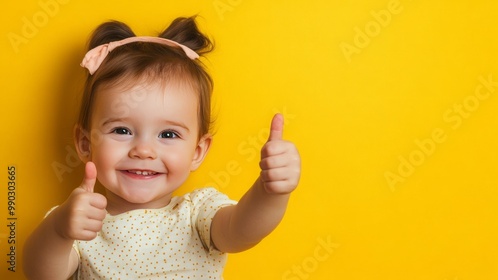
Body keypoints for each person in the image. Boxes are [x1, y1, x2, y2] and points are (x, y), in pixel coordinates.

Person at [23, 16, 301, 279]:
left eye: (168, 134)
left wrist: (270, 192)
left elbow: (243, 230)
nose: (144, 150)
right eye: (122, 130)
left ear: (197, 151)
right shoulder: (78, 220)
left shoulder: (197, 214)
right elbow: (40, 273)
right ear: (85, 143)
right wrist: (60, 230)